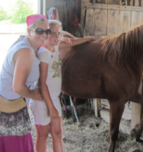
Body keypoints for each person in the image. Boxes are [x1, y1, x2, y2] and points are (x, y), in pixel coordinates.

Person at [30, 20, 95, 152]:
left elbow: (74, 41)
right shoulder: (44, 53)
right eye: (53, 33)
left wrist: (91, 39)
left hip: (53, 97)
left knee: (58, 133)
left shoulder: (57, 45)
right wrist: (51, 107)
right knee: (42, 135)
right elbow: (42, 83)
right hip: (42, 100)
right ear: (46, 34)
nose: (57, 36)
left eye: (59, 33)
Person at [0, 14, 50, 152]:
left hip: (9, 103)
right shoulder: (26, 51)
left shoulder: (27, 43)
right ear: (29, 31)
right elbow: (17, 87)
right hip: (9, 108)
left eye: (47, 31)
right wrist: (32, 94)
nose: (44, 35)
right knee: (15, 146)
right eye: (40, 31)